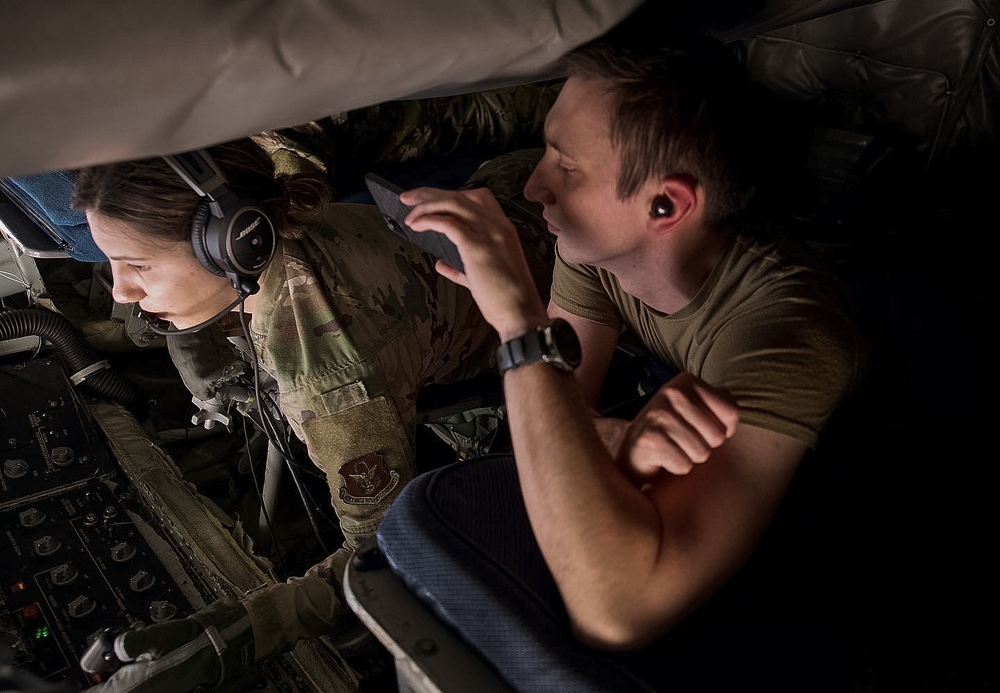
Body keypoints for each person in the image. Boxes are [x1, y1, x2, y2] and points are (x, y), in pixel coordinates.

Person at [400, 38, 861, 653]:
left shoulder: (787, 339)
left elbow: (618, 611)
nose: (536, 186)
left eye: (567, 167)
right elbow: (539, 437)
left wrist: (520, 324)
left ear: (666, 204)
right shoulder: (597, 250)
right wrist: (618, 444)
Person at [71, 131, 554, 691]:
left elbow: (385, 554)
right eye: (112, 264)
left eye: (138, 267)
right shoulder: (270, 205)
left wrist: (241, 630)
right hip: (515, 182)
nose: (121, 291)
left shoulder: (330, 381)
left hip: (552, 263)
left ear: (234, 246)